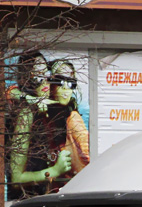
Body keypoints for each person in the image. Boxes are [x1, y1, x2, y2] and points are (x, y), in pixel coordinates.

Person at [8, 57, 90, 197]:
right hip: (31, 200)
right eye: (59, 81)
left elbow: (87, 157)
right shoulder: (29, 114)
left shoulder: (69, 117)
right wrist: (54, 171)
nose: (65, 88)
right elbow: (16, 178)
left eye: (71, 83)